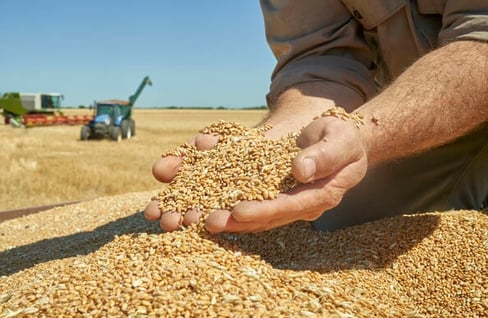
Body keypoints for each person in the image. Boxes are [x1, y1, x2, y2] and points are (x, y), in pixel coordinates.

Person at [145, 0, 488, 233]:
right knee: (339, 223)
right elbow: (321, 60)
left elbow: (481, 39)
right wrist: (278, 138)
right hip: (407, 108)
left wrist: (367, 134)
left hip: (456, 89)